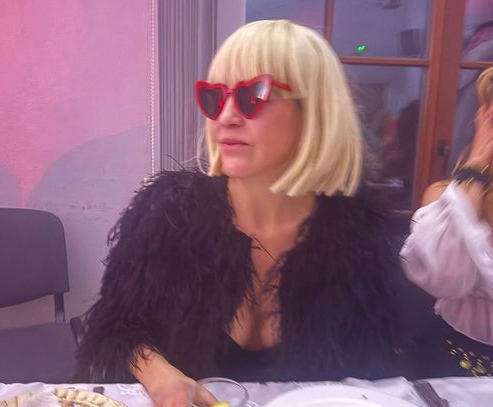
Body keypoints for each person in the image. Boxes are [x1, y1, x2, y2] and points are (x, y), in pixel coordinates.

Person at [76, 20, 414, 406]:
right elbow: (114, 329)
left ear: (313, 112)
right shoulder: (168, 214)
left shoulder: (359, 236)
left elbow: (374, 377)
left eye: (252, 96)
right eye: (214, 98)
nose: (226, 116)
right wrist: (161, 376)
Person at [401, 63, 493, 377]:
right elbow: (446, 279)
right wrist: (475, 169)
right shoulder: (446, 200)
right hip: (451, 362)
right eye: (484, 116)